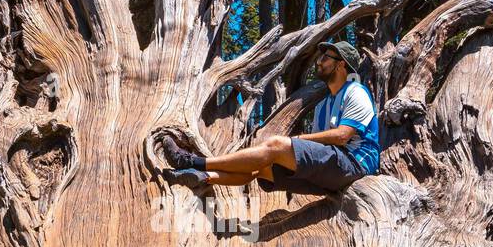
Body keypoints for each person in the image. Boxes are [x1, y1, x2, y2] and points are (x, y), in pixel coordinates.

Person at [161, 40, 379, 195]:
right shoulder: (323, 104)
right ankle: (200, 176)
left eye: (325, 58)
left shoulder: (355, 91)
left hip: (355, 165)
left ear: (341, 65)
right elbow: (320, 149)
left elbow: (342, 136)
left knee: (274, 145)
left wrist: (300, 139)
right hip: (332, 172)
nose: (318, 62)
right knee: (260, 166)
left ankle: (192, 161)